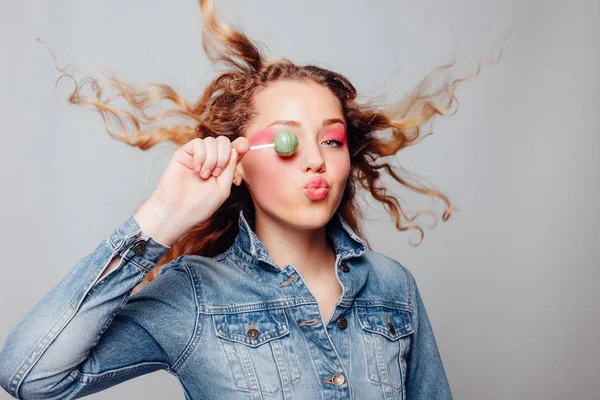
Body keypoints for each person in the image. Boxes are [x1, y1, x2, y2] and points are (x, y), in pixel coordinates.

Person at [0, 0, 491, 398]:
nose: (315, 161)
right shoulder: (193, 295)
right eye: (287, 141)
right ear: (240, 161)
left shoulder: (392, 288)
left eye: (332, 140)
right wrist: (159, 220)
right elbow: (31, 375)